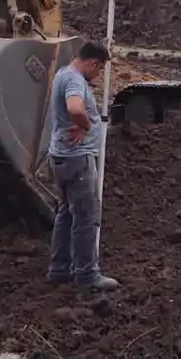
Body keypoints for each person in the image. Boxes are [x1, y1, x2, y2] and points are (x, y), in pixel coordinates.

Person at [44, 40, 120, 291]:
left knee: (65, 213)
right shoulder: (75, 80)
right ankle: (87, 276)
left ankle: (59, 269)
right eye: (98, 70)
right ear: (92, 63)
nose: (98, 74)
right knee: (86, 217)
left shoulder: (62, 74)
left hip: (60, 157)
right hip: (77, 159)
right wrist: (86, 125)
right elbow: (75, 107)